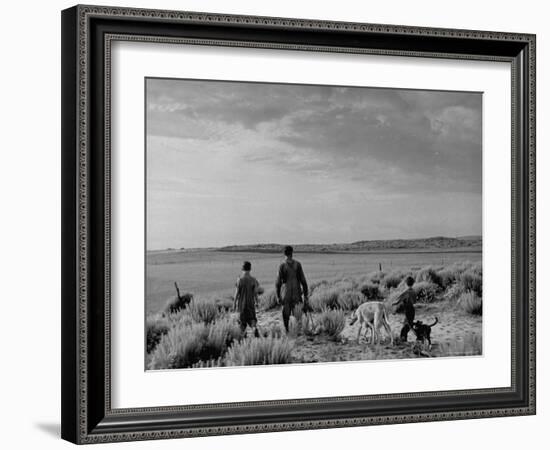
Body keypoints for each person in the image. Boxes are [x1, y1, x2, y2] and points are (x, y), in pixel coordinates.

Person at [275, 246, 309, 333]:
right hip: (296, 294)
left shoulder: (282, 266)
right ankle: (298, 332)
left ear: (284, 253)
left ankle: (287, 332)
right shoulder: (297, 265)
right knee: (298, 316)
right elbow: (304, 282)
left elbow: (278, 283)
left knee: (285, 316)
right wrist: (306, 297)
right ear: (292, 253)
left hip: (286, 294)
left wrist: (278, 296)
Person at [234, 261, 260, 337]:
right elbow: (255, 293)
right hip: (250, 303)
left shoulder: (239, 280)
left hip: (241, 304)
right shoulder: (253, 280)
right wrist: (257, 302)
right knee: (252, 319)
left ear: (242, 268)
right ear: (250, 268)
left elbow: (236, 293)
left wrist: (234, 304)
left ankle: (243, 336)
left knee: (242, 322)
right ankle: (254, 329)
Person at [392, 275, 417, 342]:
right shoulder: (414, 291)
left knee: (406, 326)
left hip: (408, 310)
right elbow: (414, 302)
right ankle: (404, 339)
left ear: (406, 283)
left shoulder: (406, 292)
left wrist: (392, 304)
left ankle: (403, 340)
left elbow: (398, 300)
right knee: (408, 324)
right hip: (412, 309)